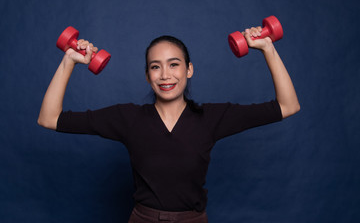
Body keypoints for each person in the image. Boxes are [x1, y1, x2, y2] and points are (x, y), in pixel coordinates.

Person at [38, 26, 300, 223]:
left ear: (189, 70)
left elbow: (288, 106)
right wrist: (69, 59)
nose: (165, 75)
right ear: (147, 75)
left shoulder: (212, 117)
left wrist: (268, 47)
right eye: (155, 67)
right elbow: (49, 118)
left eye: (174, 65)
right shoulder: (127, 119)